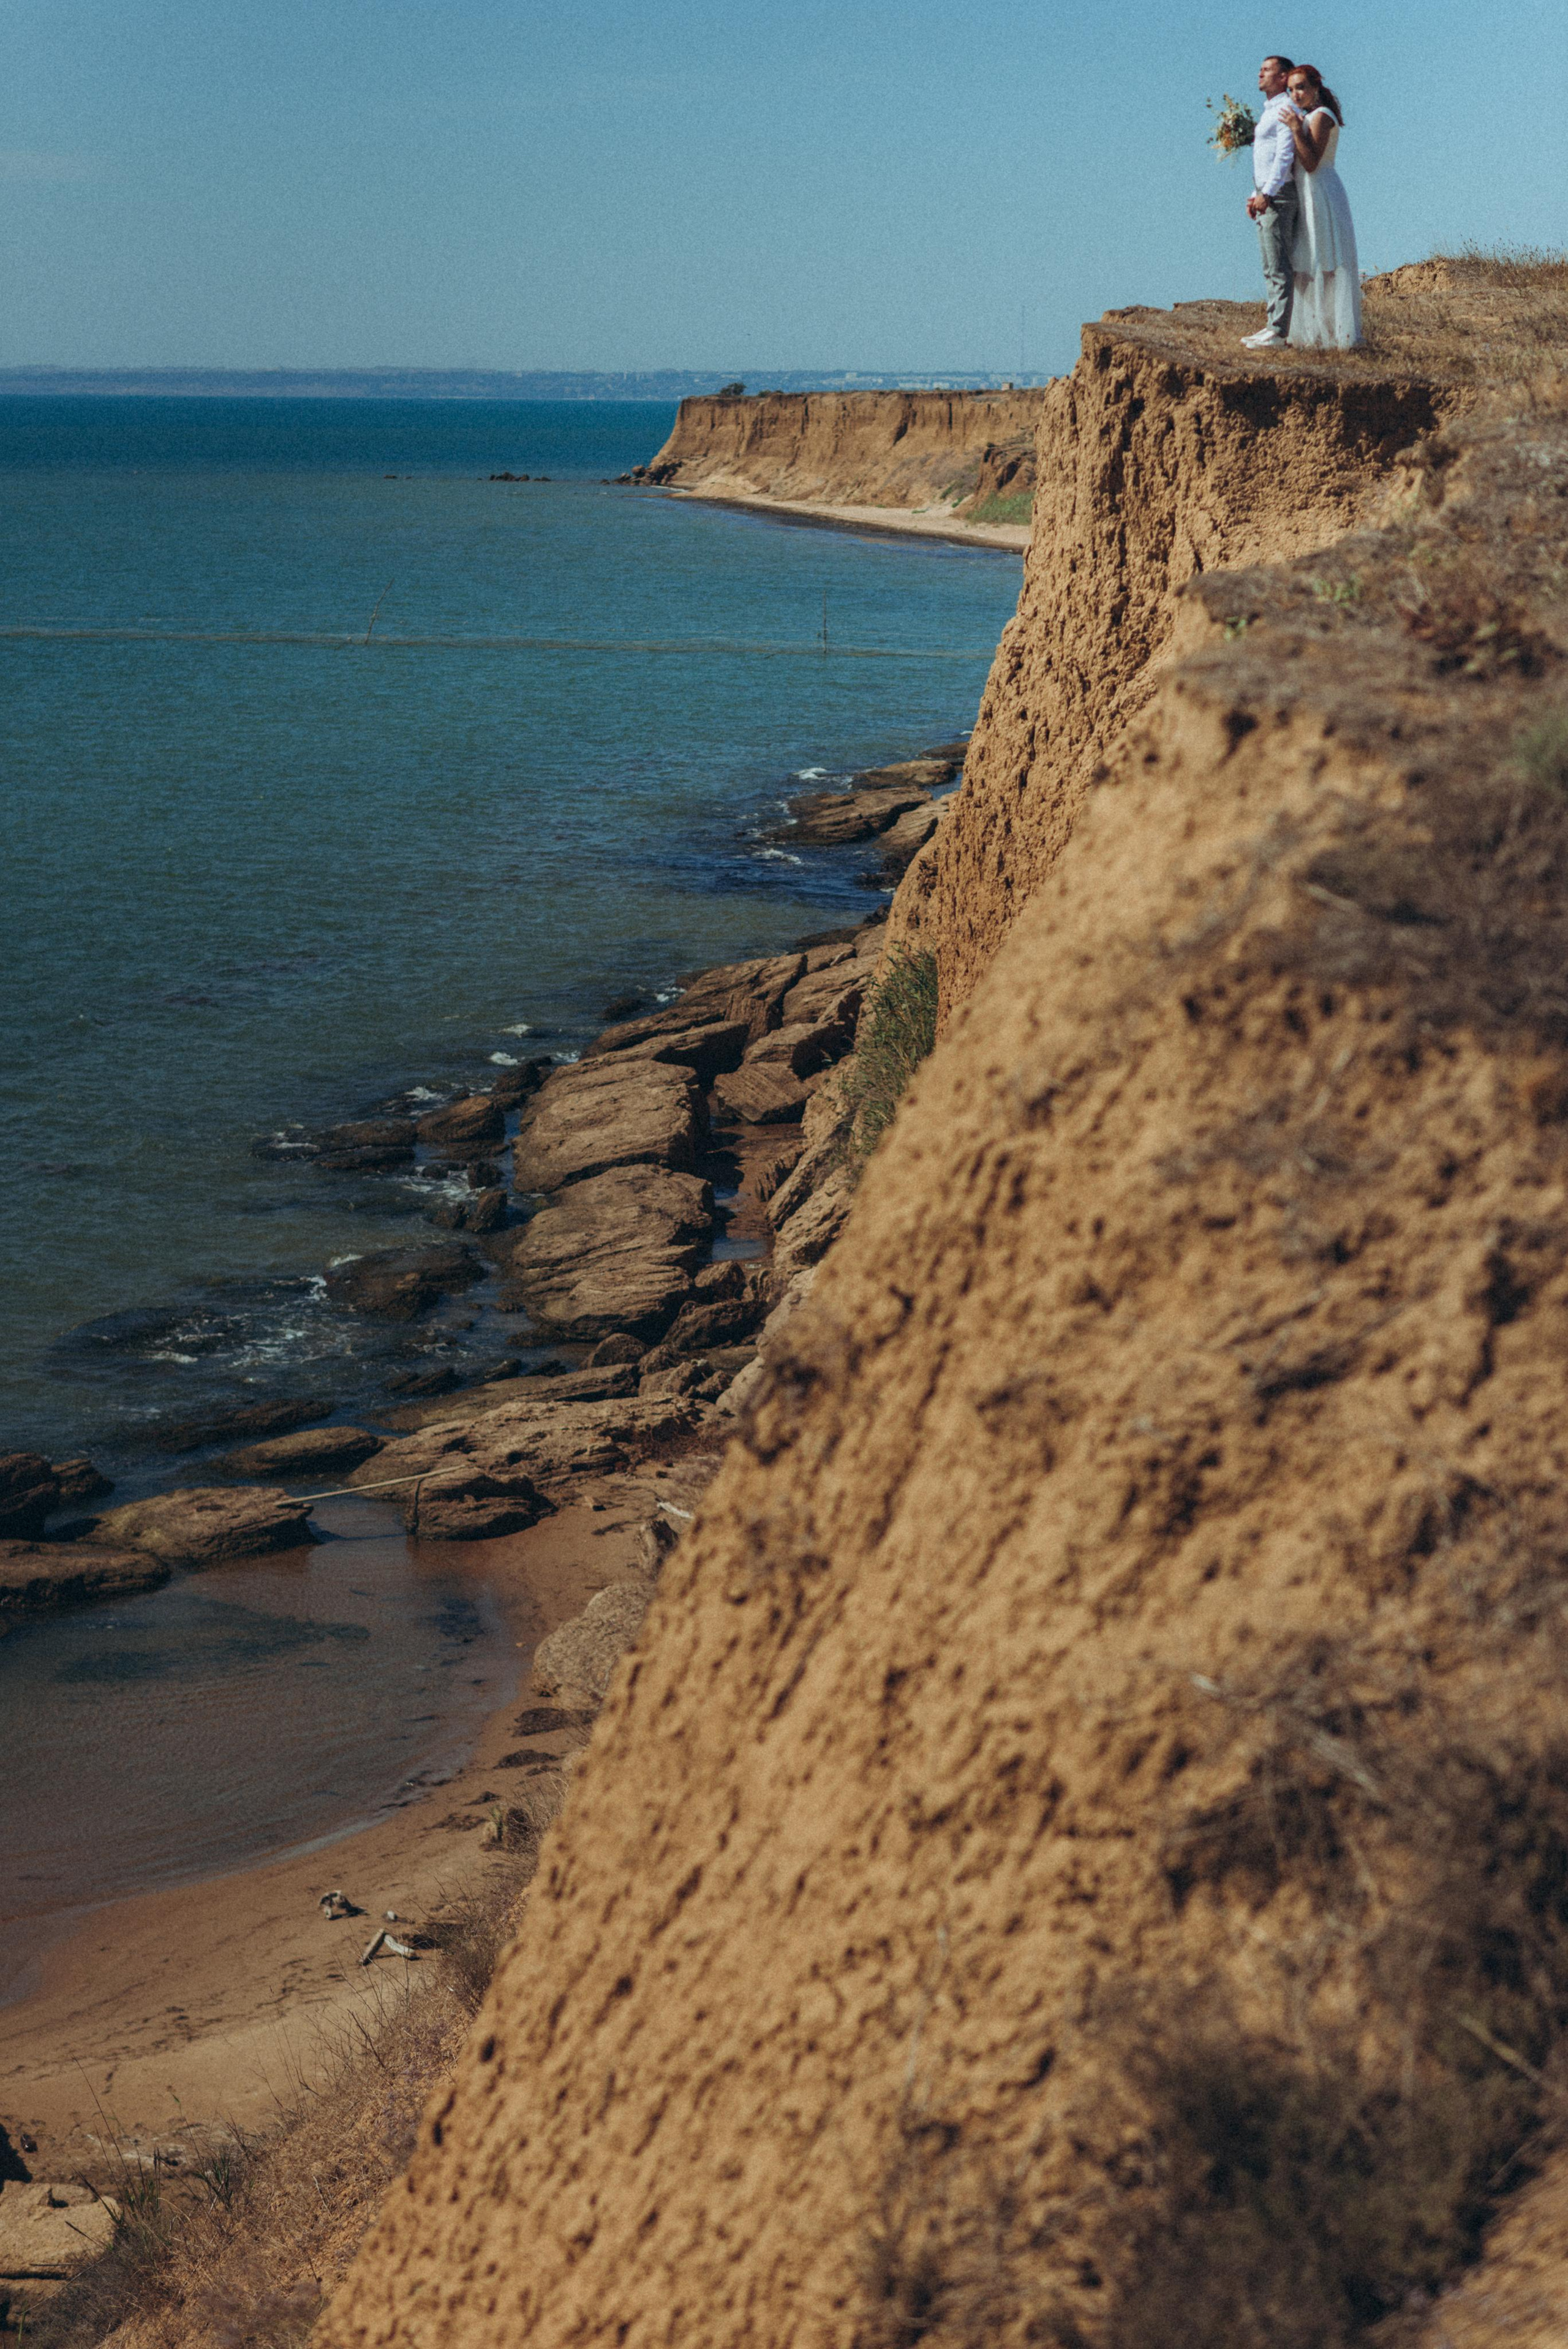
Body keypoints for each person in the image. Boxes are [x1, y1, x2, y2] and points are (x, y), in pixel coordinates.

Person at [1284, 64, 1363, 348]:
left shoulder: (1322, 116)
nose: (1296, 94)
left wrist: (1295, 128)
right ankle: (1309, 333)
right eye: (1291, 89)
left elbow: (1311, 161)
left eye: (1301, 87)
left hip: (1322, 193)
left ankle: (1335, 333)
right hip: (1304, 193)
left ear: (1316, 87)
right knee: (1304, 260)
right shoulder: (1305, 116)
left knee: (1326, 259)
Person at [1242, 55, 1301, 349]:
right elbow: (1264, 157)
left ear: (1283, 77)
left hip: (1279, 194)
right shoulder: (1270, 110)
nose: (1260, 73)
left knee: (1279, 265)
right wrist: (1255, 193)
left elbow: (1284, 156)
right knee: (1269, 264)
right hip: (1266, 193)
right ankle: (1272, 326)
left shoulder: (1286, 108)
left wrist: (1268, 192)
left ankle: (1279, 330)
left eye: (1267, 70)